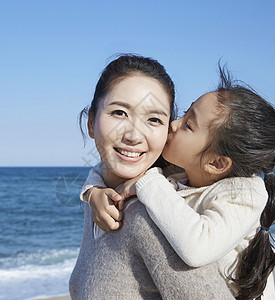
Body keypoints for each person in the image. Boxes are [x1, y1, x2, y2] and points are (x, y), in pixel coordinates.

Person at [83, 65, 275, 300]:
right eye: (184, 114)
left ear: (217, 163)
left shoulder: (244, 194)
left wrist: (147, 182)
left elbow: (197, 248)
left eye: (188, 125)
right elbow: (108, 167)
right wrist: (93, 192)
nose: (173, 124)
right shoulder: (184, 170)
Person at [69, 54, 234, 299]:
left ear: (169, 132)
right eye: (119, 113)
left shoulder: (154, 219)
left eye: (154, 119)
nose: (134, 135)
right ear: (92, 122)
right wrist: (92, 193)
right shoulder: (99, 201)